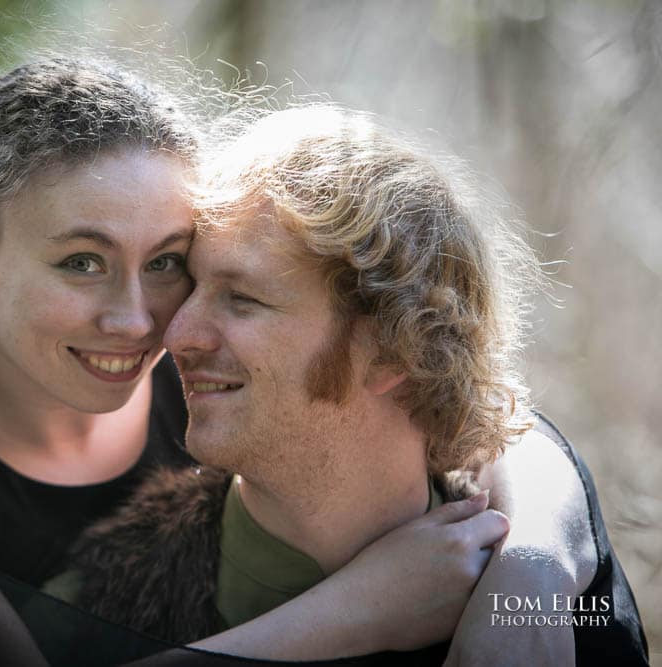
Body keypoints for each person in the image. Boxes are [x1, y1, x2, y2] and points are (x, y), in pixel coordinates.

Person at [0, 58, 604, 666]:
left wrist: (530, 571)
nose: (143, 318)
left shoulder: (179, 357)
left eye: (166, 262)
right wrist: (359, 611)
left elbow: (482, 405)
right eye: (80, 260)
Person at [47, 105, 650, 665]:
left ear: (394, 348)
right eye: (191, 286)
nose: (176, 332)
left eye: (243, 299)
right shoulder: (84, 612)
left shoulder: (554, 617)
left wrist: (531, 569)